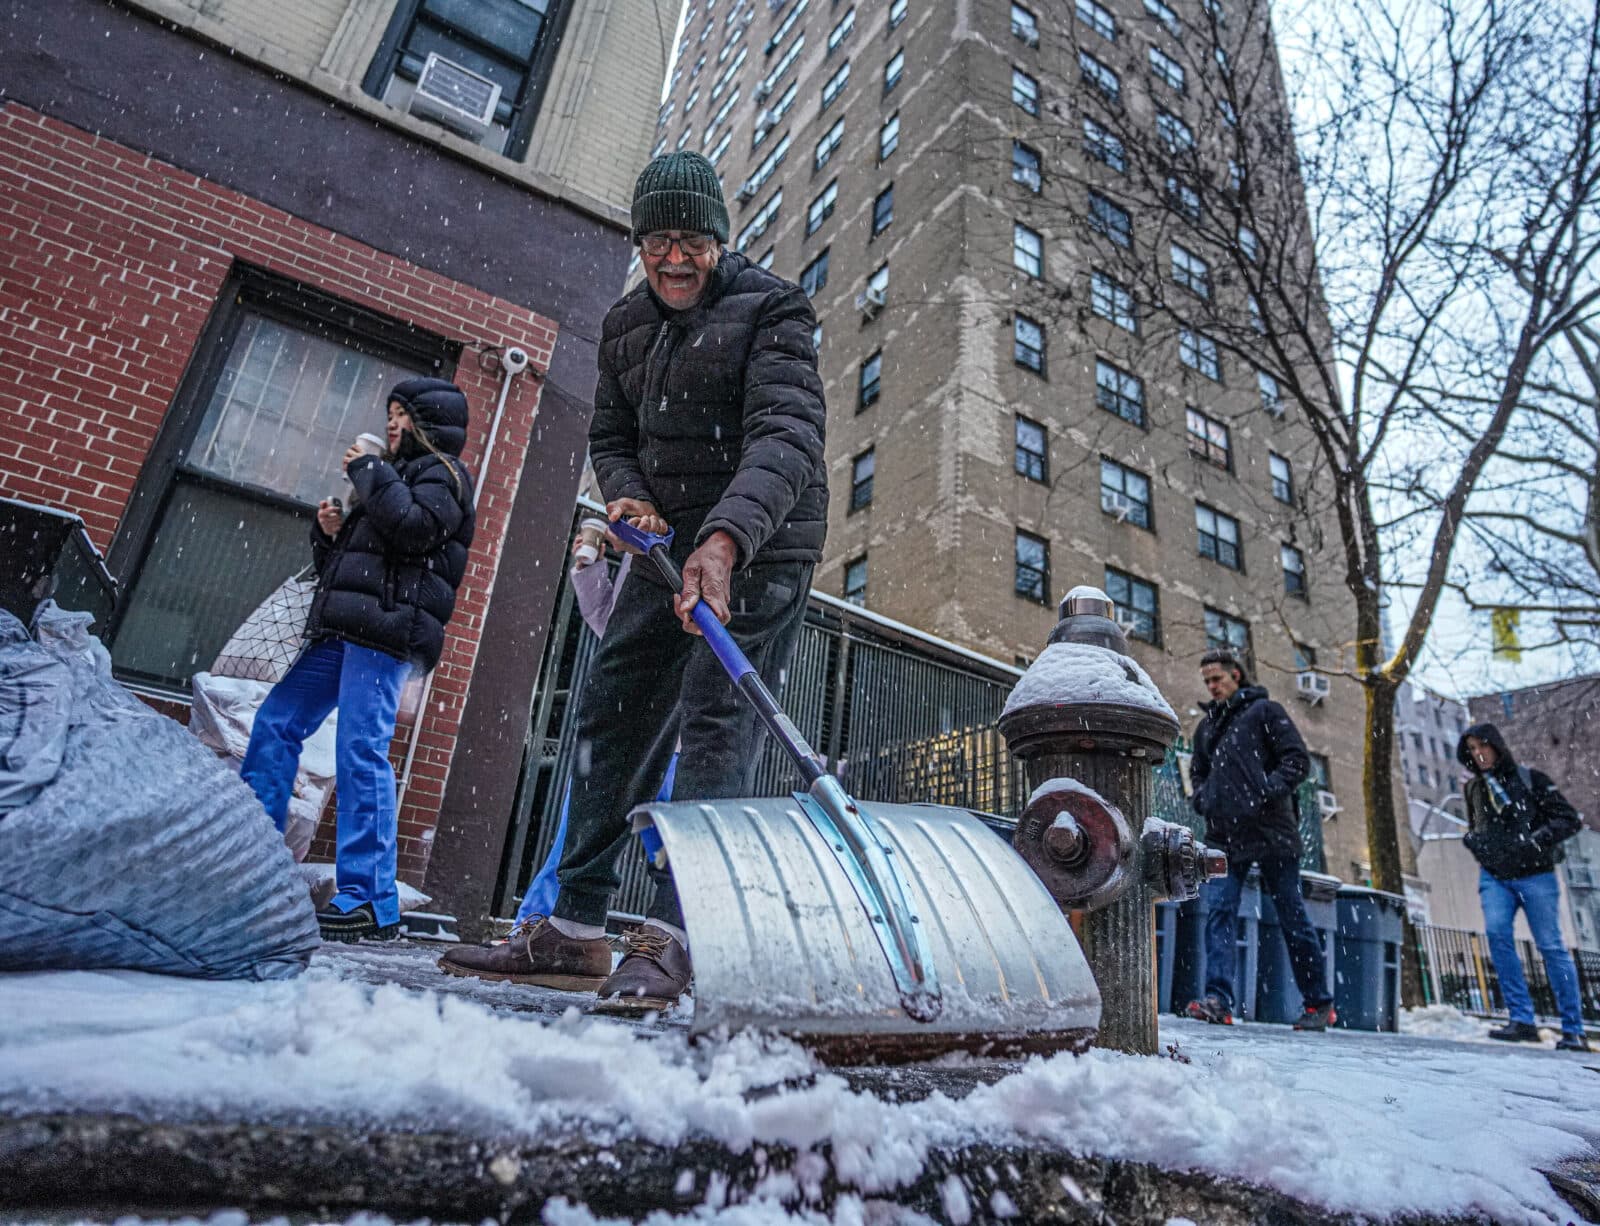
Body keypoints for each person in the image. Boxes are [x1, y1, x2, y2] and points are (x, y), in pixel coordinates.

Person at [438, 150, 827, 1012]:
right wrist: (631, 500)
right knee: (614, 710)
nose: (674, 258)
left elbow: (788, 438)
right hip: (660, 548)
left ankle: (675, 937)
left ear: (720, 242)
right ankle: (573, 930)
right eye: (656, 240)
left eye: (691, 238)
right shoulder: (623, 326)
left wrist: (725, 541)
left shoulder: (774, 310)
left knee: (716, 723)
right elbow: (611, 438)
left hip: (761, 545)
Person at [241, 378, 475, 942]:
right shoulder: (393, 477)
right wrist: (329, 536)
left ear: (428, 422)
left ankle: (370, 898)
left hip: (385, 633)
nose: (391, 423)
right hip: (344, 630)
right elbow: (357, 566)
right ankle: (254, 861)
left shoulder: (442, 475)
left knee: (360, 749)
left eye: (402, 414)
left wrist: (370, 470)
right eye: (389, 413)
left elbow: (414, 531)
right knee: (277, 721)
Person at [1185, 649, 1336, 1030]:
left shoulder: (1265, 713)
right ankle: (1218, 1000)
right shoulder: (1206, 727)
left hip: (1272, 832)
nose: (1212, 686)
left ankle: (1318, 1004)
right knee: (1218, 912)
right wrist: (1203, 799)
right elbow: (1197, 772)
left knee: (1291, 916)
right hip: (1224, 835)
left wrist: (1266, 791)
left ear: (1237, 675)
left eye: (1217, 678)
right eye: (1207, 681)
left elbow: (1297, 759)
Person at [1458, 723, 1589, 1051]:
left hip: (1536, 875)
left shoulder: (1531, 780)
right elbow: (1476, 826)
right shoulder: (1474, 789)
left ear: (1497, 746)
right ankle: (1522, 1019)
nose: (1478, 754)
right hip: (1495, 878)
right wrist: (1475, 842)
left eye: (1482, 746)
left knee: (1550, 946)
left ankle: (1573, 1028)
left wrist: (1535, 841)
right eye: (1472, 749)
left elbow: (1569, 819)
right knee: (1498, 936)